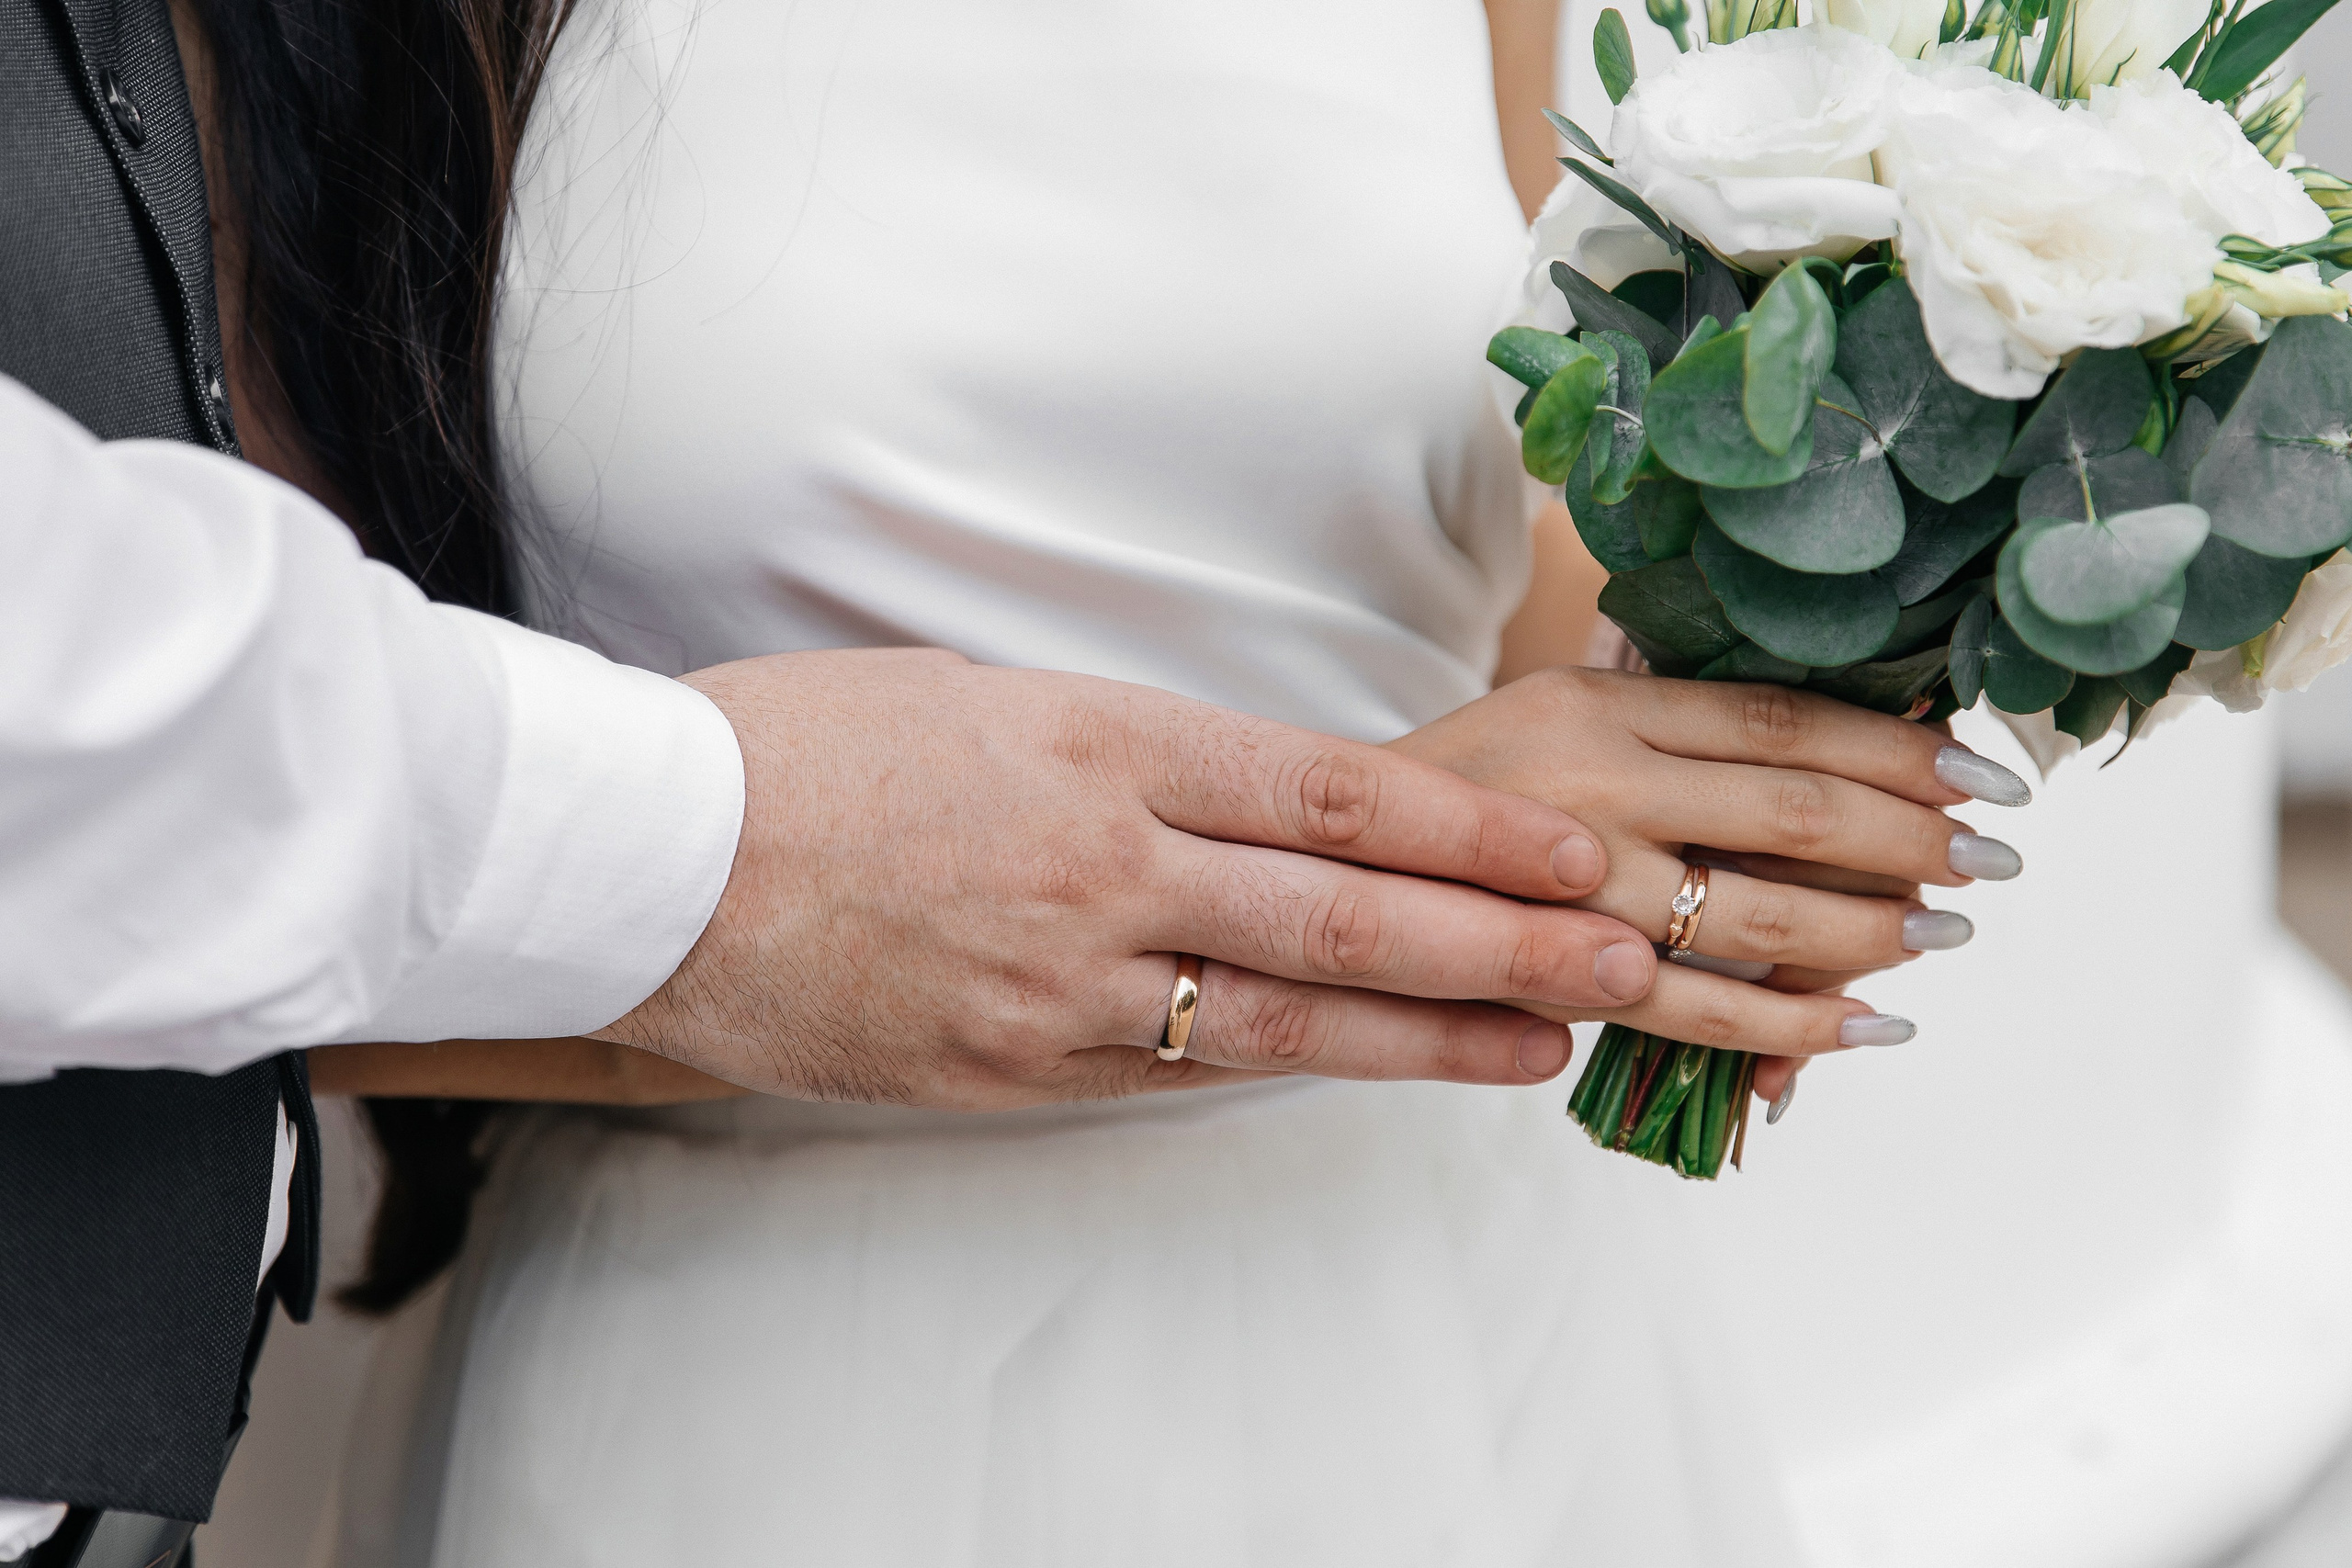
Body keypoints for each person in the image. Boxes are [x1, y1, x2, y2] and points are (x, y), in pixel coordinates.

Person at [0, 0, 1828, 1562]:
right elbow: (196, 849)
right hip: (760, 1385)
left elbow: (1535, 537)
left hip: (1449, 1328)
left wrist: (1776, 694)